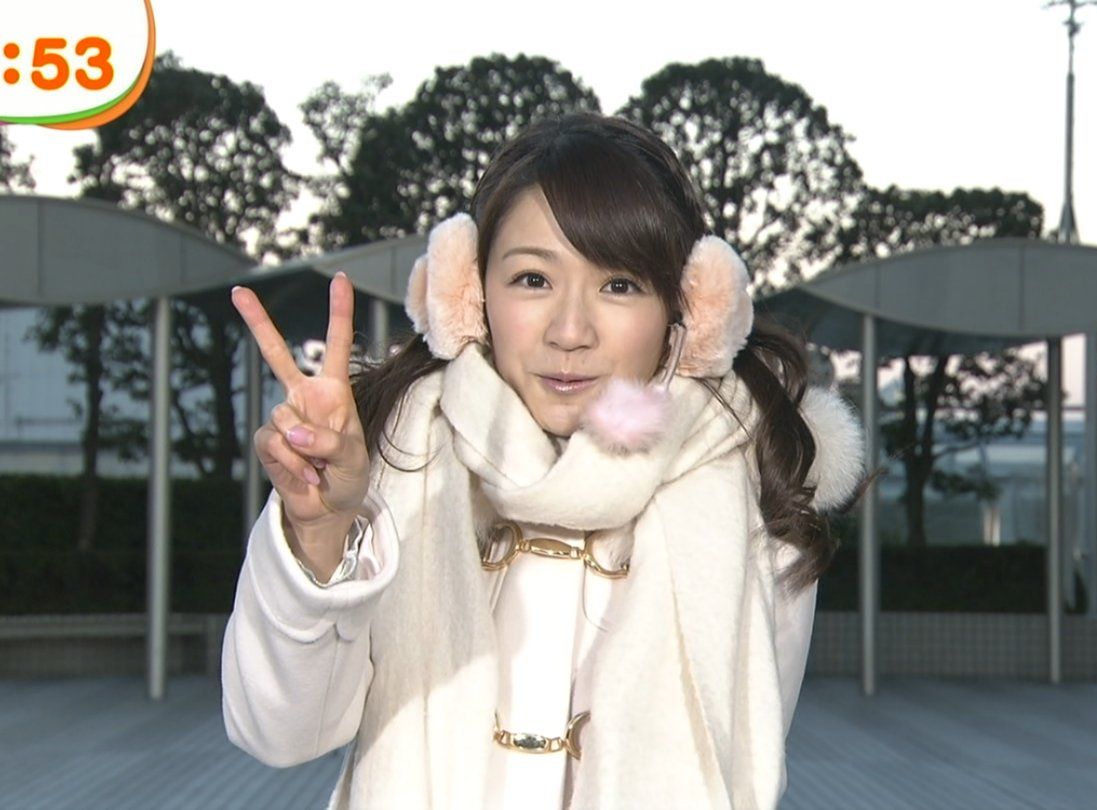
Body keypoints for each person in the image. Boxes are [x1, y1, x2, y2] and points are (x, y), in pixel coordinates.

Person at [222, 112, 865, 810]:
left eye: (619, 285)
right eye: (533, 278)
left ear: (688, 311)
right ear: (470, 296)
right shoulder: (393, 459)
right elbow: (278, 734)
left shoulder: (755, 485)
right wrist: (320, 534)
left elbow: (749, 767)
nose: (570, 331)